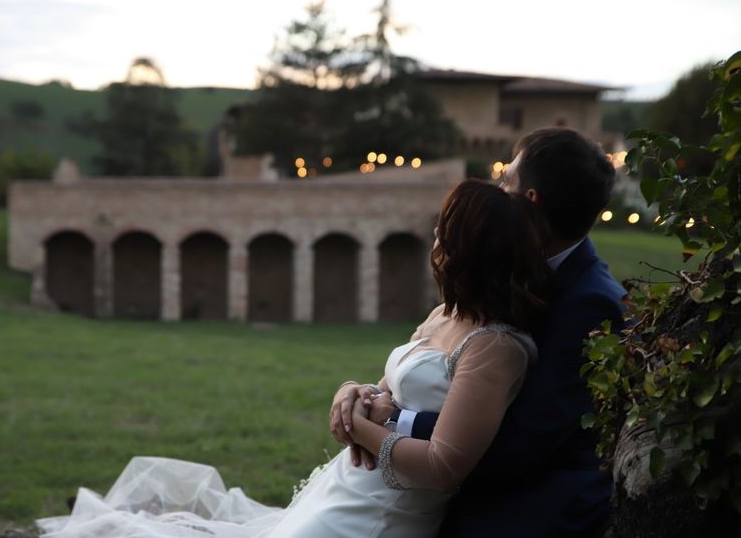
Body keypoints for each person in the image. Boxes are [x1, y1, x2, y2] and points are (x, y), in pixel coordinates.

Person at [37, 179, 553, 538]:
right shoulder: (444, 313)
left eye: (445, 230)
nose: (435, 239)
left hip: (384, 513)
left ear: (468, 249)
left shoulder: (496, 347)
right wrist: (355, 392)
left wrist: (357, 426)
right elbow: (390, 391)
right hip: (349, 483)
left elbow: (445, 466)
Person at [333, 127, 626, 537]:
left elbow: (520, 442)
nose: (497, 186)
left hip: (523, 508)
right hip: (427, 482)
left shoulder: (589, 303)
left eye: (506, 178)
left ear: (530, 200)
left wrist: (394, 420)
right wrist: (359, 393)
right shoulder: (502, 277)